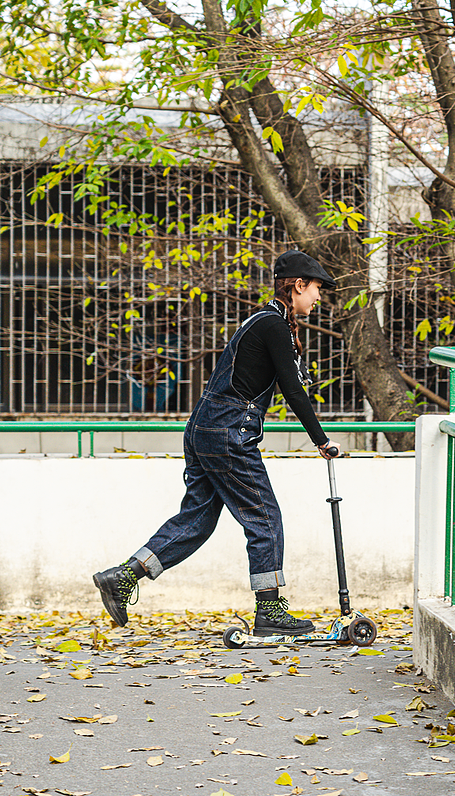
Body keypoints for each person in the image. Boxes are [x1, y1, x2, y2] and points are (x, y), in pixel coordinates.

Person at [93, 249, 342, 636]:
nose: (318, 297)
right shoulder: (273, 325)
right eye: (316, 289)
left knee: (197, 521)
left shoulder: (261, 320)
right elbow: (293, 390)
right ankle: (269, 610)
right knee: (264, 517)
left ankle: (123, 577)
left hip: (204, 428)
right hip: (229, 432)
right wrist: (320, 440)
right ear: (298, 285)